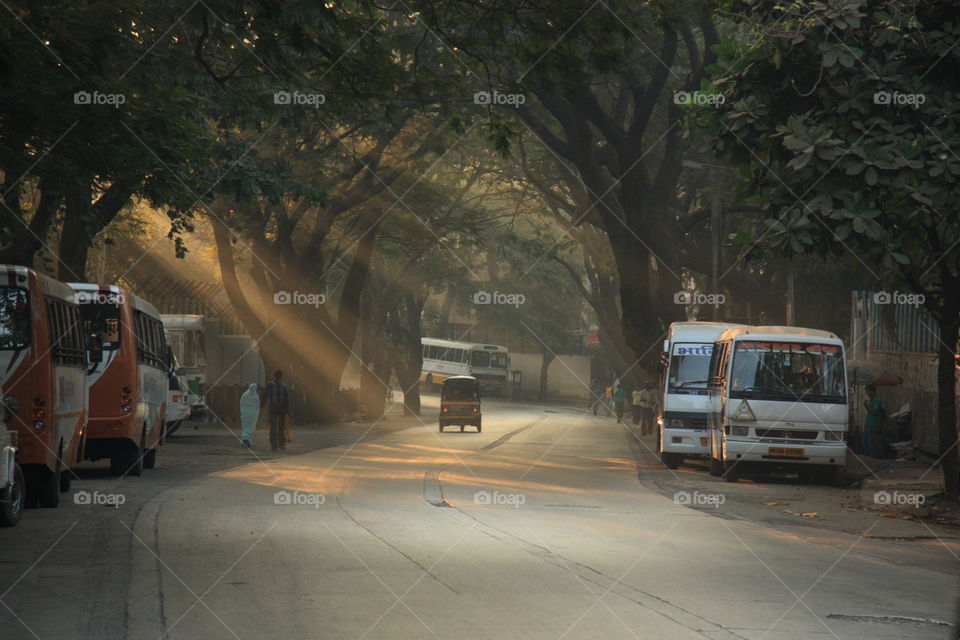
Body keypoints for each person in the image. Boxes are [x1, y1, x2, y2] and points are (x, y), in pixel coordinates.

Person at [265, 370, 290, 452]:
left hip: (272, 407)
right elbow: (286, 399)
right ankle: (281, 444)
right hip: (281, 408)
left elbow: (265, 395)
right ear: (281, 377)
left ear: (274, 376)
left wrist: (261, 406)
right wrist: (288, 410)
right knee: (281, 426)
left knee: (273, 426)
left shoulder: (269, 385)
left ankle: (273, 446)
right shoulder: (284, 386)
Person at [861, 384, 884, 457]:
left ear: (872, 391)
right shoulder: (871, 400)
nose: (867, 394)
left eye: (867, 391)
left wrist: (867, 405)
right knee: (865, 444)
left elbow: (874, 412)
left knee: (871, 444)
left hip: (872, 425)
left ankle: (872, 458)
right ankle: (866, 458)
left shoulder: (877, 400)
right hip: (868, 425)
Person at [239, 383, 260, 448]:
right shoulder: (256, 396)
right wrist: (256, 414)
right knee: (251, 427)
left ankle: (245, 439)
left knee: (245, 427)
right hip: (252, 414)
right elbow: (258, 406)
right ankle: (247, 441)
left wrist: (242, 412)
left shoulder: (244, 395)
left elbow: (241, 404)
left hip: (246, 413)